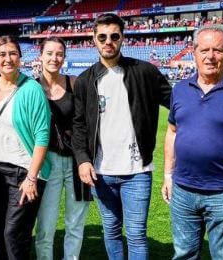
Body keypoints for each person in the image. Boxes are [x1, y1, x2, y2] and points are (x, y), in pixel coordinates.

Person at [72, 13, 171, 260]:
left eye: (114, 36)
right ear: (93, 39)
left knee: (137, 234)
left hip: (137, 171)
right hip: (102, 172)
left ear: (122, 38)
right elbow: (79, 126)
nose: (108, 41)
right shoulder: (85, 81)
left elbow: (179, 104)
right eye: (102, 37)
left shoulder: (145, 71)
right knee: (112, 231)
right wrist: (83, 159)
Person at [161, 24, 223, 260]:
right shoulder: (180, 89)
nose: (210, 57)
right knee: (183, 253)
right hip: (183, 191)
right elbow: (172, 133)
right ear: (194, 52)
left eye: (217, 50)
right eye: (204, 50)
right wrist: (167, 175)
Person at [0, 35, 51, 260]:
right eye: (2, 54)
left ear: (20, 58)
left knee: (14, 234)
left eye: (13, 54)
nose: (8, 59)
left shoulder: (31, 89)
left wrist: (32, 177)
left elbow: (42, 135)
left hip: (24, 172)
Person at [35, 36, 90, 260]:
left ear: (64, 57)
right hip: (47, 162)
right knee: (45, 225)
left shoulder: (74, 83)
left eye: (59, 54)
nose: (54, 58)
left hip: (77, 162)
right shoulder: (31, 88)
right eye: (49, 53)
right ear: (40, 56)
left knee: (75, 222)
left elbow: (86, 121)